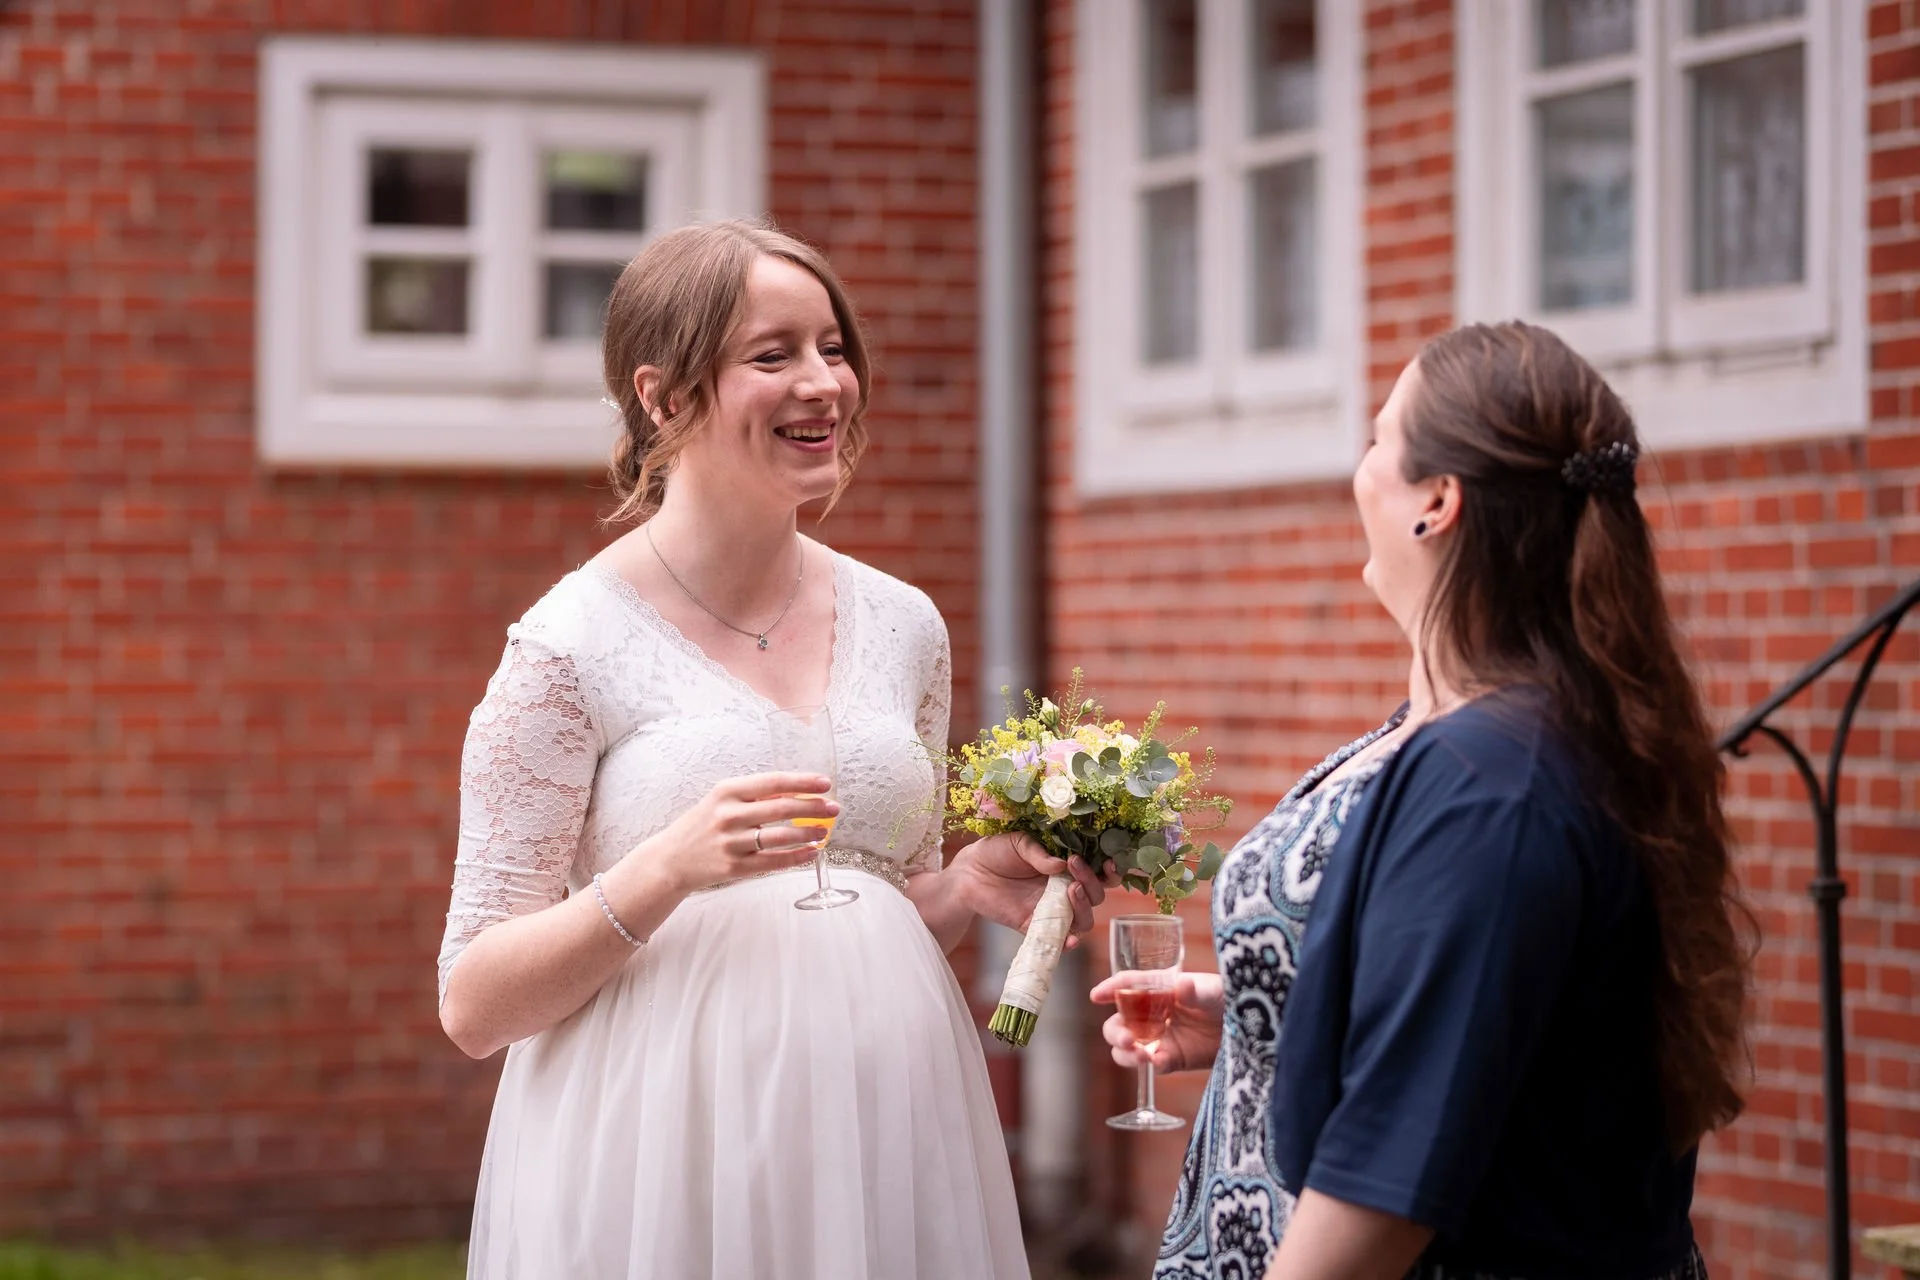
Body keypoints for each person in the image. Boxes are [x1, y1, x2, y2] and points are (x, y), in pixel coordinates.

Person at [437, 218, 1111, 1280]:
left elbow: (861, 910)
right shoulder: (569, 646)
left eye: (832, 348)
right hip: (661, 1149)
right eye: (773, 354)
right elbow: (475, 1003)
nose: (824, 384)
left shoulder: (905, 624)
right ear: (663, 396)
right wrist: (664, 868)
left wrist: (965, 886)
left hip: (885, 1131)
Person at [1096, 320, 1750, 1280]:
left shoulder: (1493, 788)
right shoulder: (1489, 738)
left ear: (1436, 502)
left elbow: (1385, 1190)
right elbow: (1479, 999)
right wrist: (1264, 1011)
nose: (1358, 468)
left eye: (1377, 440)